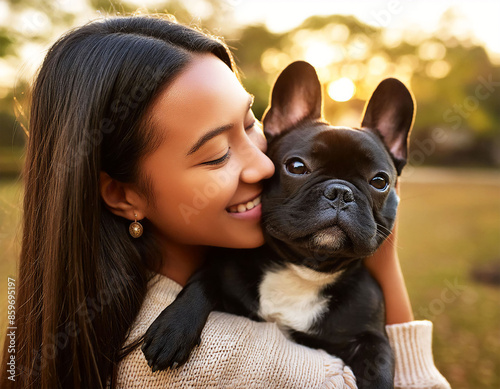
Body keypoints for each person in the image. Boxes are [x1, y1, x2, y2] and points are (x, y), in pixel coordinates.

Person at [0, 15, 451, 389]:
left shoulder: (109, 293)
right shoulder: (242, 367)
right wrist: (386, 265)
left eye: (251, 123)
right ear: (123, 194)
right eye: (217, 153)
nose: (261, 164)